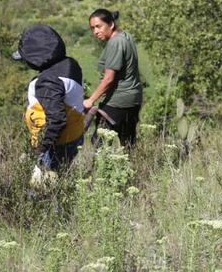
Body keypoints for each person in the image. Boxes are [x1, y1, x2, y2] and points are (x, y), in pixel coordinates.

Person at [13, 24, 85, 173]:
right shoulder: (70, 64)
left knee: (41, 189)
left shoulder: (48, 82)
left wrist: (42, 149)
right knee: (59, 178)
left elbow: (57, 119)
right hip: (73, 135)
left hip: (56, 145)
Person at [84, 9, 143, 147]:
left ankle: (102, 168)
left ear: (110, 24)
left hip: (117, 100)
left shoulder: (115, 43)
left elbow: (109, 78)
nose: (95, 32)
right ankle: (128, 168)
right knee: (127, 142)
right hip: (134, 99)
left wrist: (91, 100)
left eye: (99, 26)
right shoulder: (126, 36)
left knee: (100, 143)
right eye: (92, 28)